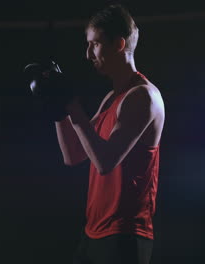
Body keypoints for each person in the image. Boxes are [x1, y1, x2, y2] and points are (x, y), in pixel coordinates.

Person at [54, 5, 165, 264]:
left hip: (124, 236)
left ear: (118, 44)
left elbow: (105, 162)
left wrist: (73, 107)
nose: (88, 53)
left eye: (95, 44)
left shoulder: (143, 96)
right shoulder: (111, 98)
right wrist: (58, 110)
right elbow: (74, 155)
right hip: (94, 231)